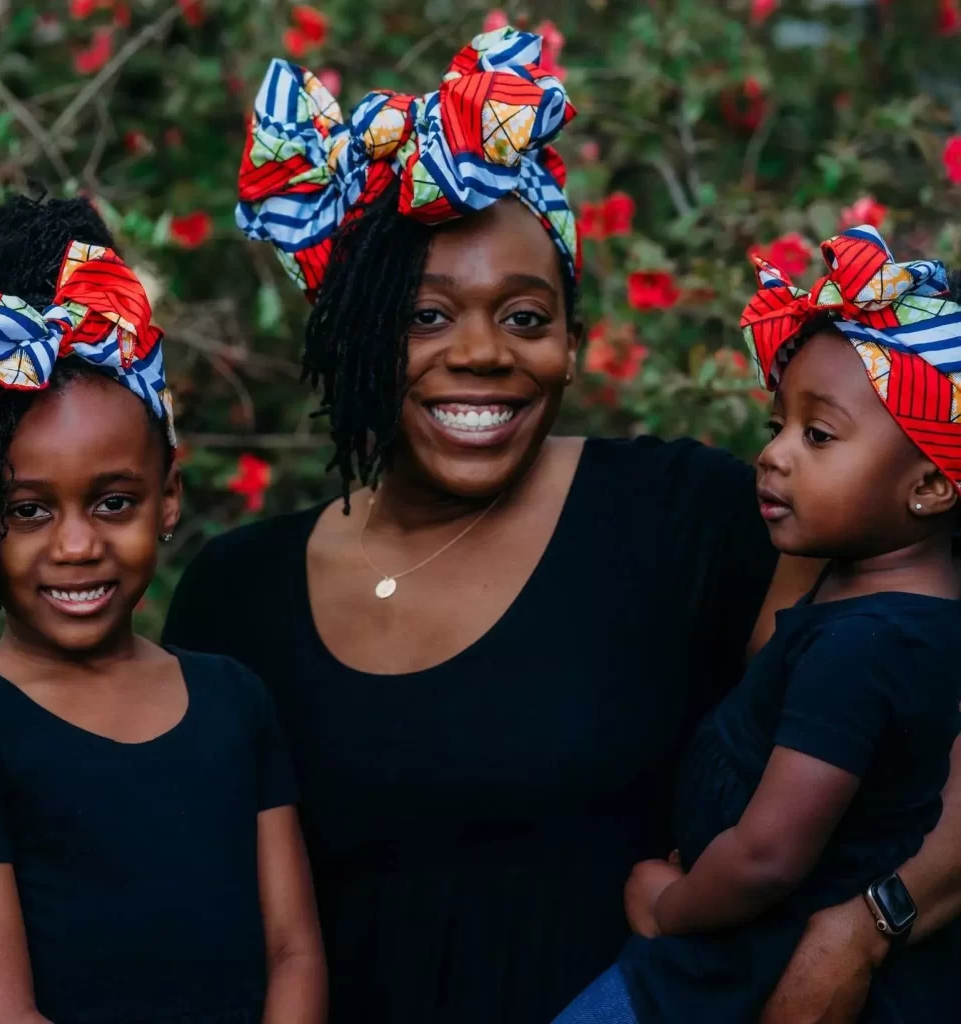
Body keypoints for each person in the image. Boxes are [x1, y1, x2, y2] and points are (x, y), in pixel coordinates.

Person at [163, 25, 961, 1024]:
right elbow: (192, 910)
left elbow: (928, 695)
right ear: (351, 334)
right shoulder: (238, 595)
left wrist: (872, 919)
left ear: (575, 344)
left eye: (527, 317)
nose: (483, 353)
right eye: (424, 316)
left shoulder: (686, 517)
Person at [552, 227, 961, 1023]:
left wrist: (670, 903)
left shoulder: (861, 646)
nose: (772, 456)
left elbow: (773, 855)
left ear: (931, 488)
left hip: (721, 977)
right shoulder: (900, 612)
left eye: (818, 436)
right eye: (777, 425)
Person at [0, 195, 326, 1024]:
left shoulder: (234, 701)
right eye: (28, 510)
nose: (77, 545)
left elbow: (293, 952)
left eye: (113, 503)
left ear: (169, 498)